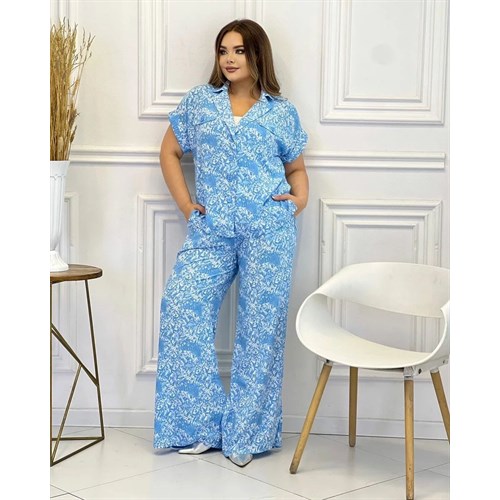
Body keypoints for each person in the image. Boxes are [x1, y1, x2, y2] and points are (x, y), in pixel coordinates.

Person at [154, 19, 308, 468]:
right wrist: (188, 206)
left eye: (239, 50)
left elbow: (296, 169)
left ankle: (246, 433)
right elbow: (169, 152)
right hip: (211, 230)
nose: (229, 58)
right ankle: (201, 425)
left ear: (258, 55)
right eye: (223, 50)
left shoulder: (281, 112)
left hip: (268, 230)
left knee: (260, 331)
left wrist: (297, 201)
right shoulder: (200, 102)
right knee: (182, 306)